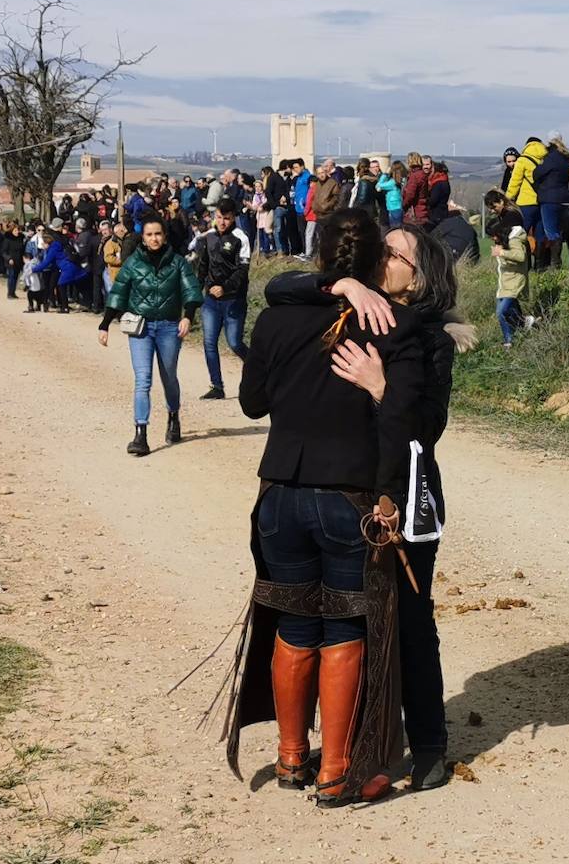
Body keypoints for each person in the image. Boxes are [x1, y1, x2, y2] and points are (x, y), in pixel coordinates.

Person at [227, 208, 424, 806]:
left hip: (280, 494)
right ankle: (336, 768)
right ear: (372, 264)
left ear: (318, 253)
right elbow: (410, 424)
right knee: (344, 627)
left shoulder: (278, 320)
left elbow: (251, 404)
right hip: (350, 498)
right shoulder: (395, 325)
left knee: (294, 623)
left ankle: (291, 759)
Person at [262, 221, 466, 792]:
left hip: (404, 495)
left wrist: (382, 389)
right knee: (351, 620)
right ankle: (358, 745)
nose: (381, 257)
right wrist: (344, 286)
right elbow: (279, 289)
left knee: (409, 621)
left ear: (418, 277)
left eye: (393, 254)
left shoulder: (428, 337)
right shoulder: (353, 309)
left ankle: (427, 746)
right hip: (346, 494)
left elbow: (428, 429)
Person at [98, 215, 201, 456]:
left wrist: (188, 316)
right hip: (141, 328)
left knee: (169, 378)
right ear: (142, 238)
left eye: (158, 234)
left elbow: (191, 290)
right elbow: (118, 293)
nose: (154, 238)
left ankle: (173, 416)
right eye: (149, 234)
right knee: (143, 379)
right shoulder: (133, 264)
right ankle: (140, 434)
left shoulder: (177, 263)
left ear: (164, 236)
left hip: (168, 327)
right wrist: (104, 324)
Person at [193, 199, 252, 400]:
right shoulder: (208, 237)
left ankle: (258, 368)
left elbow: (243, 270)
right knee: (209, 342)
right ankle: (217, 386)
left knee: (234, 343)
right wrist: (196, 291)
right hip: (210, 300)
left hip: (233, 299)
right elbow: (203, 267)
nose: (222, 222)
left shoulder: (240, 238)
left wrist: (225, 287)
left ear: (233, 217)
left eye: (226, 218)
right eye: (219, 217)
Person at [484, 189, 532, 349]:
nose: (492, 210)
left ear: (501, 201)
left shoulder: (512, 217)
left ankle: (516, 331)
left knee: (504, 308)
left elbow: (518, 251)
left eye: (493, 206)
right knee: (509, 302)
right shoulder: (505, 216)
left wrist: (501, 251)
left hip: (515, 270)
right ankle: (521, 325)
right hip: (508, 273)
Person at [531, 132, 569, 270]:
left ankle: (554, 265)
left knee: (551, 232)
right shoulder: (566, 157)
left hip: (549, 198)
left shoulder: (550, 157)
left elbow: (537, 173)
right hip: (564, 198)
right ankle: (555, 264)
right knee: (558, 232)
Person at [31, 226, 87, 313]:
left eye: (43, 244)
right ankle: (85, 303)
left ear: (46, 243)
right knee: (75, 285)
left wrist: (33, 269)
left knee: (61, 285)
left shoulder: (52, 250)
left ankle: (65, 307)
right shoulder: (55, 246)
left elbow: (45, 263)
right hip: (70, 267)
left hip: (67, 268)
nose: (42, 246)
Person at [503, 137, 545, 245]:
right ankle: (541, 261)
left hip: (526, 202)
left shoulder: (523, 161)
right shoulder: (545, 160)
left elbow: (515, 183)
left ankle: (521, 259)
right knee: (540, 236)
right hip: (542, 202)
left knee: (520, 234)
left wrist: (507, 199)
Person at [401, 151, 430, 226]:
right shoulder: (422, 174)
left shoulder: (414, 176)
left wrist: (402, 206)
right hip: (422, 210)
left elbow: (410, 195)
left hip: (415, 213)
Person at [1, 220, 27, 298]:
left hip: (19, 260)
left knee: (16, 277)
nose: (17, 232)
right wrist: (9, 258)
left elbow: (22, 249)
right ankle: (10, 293)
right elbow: (4, 252)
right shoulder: (8, 240)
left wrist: (24, 257)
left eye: (18, 230)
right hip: (11, 261)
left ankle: (13, 292)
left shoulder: (20, 239)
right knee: (11, 276)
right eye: (15, 230)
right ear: (12, 231)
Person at [426, 159, 452, 230]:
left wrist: (424, 200)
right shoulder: (445, 182)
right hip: (443, 212)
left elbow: (433, 200)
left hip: (435, 215)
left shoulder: (438, 184)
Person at [378, 161, 405, 228]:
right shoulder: (403, 179)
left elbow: (378, 185)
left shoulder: (392, 183)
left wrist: (385, 174)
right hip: (400, 207)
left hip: (393, 209)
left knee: (395, 229)